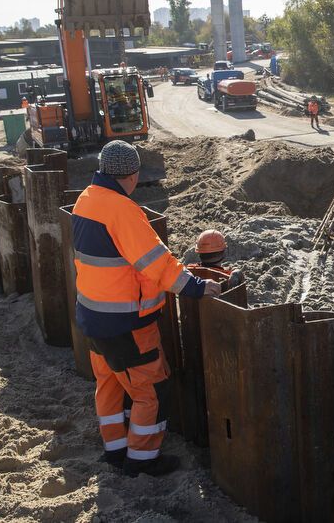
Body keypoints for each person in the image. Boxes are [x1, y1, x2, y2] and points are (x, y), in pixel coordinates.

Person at [71, 140, 222, 478]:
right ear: (133, 175)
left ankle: (115, 449)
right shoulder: (122, 210)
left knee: (109, 385)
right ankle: (143, 460)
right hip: (125, 324)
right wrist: (196, 287)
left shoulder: (86, 199)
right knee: (150, 391)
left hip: (92, 317)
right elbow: (156, 262)